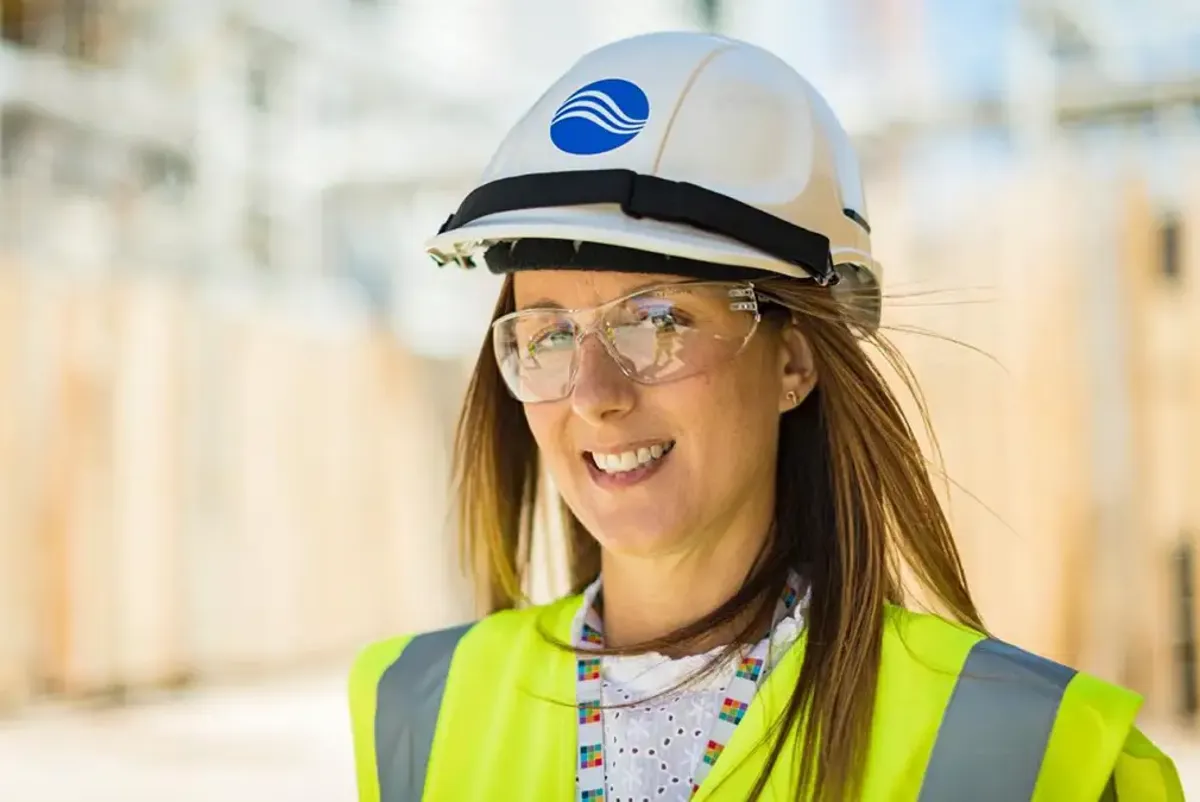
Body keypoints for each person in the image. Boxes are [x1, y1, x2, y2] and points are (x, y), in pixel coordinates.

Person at [347, 31, 1184, 802]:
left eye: (659, 321)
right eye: (548, 334)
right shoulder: (413, 713)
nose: (594, 394)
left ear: (793, 361)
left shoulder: (1037, 754)